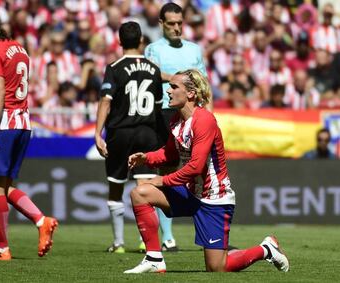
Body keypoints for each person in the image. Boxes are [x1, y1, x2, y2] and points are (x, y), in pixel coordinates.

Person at [124, 69, 290, 274]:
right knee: (139, 194)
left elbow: (195, 167)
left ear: (191, 94)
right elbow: (170, 155)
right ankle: (154, 259)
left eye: (174, 87)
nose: (168, 91)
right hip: (191, 192)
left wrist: (163, 180)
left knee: (217, 268)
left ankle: (265, 249)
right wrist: (147, 157)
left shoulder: (204, 120)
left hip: (214, 198)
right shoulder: (176, 120)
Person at [0, 8, 58, 261]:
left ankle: (1, 249)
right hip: (23, 122)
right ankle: (42, 221)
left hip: (5, 123)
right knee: (4, 186)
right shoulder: (18, 47)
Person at [144, 2, 210, 252]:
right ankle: (168, 236)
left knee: (201, 172)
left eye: (179, 23)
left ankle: (207, 232)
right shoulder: (153, 49)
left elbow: (203, 82)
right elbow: (153, 74)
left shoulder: (194, 49)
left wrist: (210, 114)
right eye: (170, 23)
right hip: (166, 112)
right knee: (169, 168)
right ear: (161, 23)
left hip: (195, 114)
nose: (176, 28)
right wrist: (174, 78)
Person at [95, 21, 163, 253]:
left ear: (120, 42)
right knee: (145, 188)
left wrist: (97, 133)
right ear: (141, 41)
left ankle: (119, 243)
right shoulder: (154, 69)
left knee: (116, 187)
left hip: (120, 133)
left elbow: (106, 100)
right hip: (146, 133)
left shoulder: (114, 67)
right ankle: (146, 241)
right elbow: (158, 105)